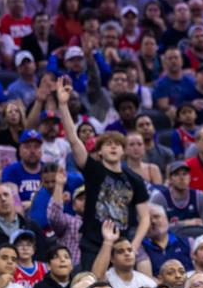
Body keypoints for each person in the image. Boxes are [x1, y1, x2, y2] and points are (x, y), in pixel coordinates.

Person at [56, 81, 150, 271]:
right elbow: (74, 140)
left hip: (122, 244)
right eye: (108, 144)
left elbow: (145, 217)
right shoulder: (93, 170)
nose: (113, 146)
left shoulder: (134, 179)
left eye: (117, 144)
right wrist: (63, 105)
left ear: (124, 151)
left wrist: (135, 244)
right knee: (92, 286)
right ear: (99, 152)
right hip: (93, 241)